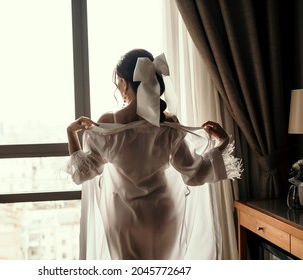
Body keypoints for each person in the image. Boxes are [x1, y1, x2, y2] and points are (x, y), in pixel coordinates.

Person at [66, 49, 242, 260]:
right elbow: (195, 175)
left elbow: (82, 173)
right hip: (162, 215)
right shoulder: (167, 124)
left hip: (124, 221)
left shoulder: (110, 124)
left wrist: (71, 132)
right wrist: (222, 143)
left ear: (123, 82)